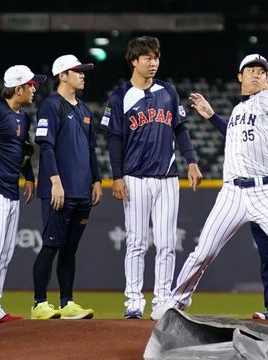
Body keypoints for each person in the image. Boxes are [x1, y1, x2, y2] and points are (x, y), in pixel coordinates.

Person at [150, 54, 268, 331]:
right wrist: (211, 116)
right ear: (240, 77)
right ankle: (176, 302)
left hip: (266, 192)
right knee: (204, 251)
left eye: (262, 71)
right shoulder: (237, 111)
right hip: (232, 194)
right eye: (251, 70)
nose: (257, 75)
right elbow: (235, 136)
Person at [100, 36, 203, 319]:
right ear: (134, 61)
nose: (153, 62)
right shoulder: (120, 96)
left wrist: (191, 161)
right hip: (133, 178)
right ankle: (133, 300)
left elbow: (180, 129)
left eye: (156, 57)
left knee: (167, 243)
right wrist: (117, 177)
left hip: (167, 178)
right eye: (147, 57)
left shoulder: (168, 92)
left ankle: (162, 300)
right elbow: (114, 140)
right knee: (136, 243)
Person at [0, 65, 45, 329]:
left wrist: (30, 177)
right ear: (18, 88)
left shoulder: (23, 117)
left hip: (10, 190)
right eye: (31, 85)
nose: (35, 88)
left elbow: (23, 149)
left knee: (3, 254)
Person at [30, 55, 102, 320]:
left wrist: (97, 180)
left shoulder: (83, 110)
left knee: (70, 250)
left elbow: (91, 150)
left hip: (82, 192)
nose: (83, 75)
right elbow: (45, 146)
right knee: (50, 246)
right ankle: (39, 303)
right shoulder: (51, 106)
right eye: (78, 71)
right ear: (63, 75)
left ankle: (67, 302)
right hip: (58, 191)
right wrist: (55, 182)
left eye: (83, 72)